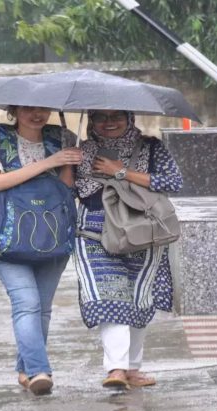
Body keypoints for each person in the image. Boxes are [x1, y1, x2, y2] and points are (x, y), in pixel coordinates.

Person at [0, 105, 82, 396]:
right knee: (27, 303)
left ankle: (27, 371)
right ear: (14, 110)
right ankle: (38, 371)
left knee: (42, 309)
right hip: (4, 237)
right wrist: (50, 162)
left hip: (52, 234)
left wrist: (67, 162)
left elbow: (66, 189)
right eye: (28, 109)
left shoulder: (63, 138)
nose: (36, 114)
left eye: (42, 109)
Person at [73, 110, 182, 390]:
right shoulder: (81, 151)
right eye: (101, 118)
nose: (109, 123)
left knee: (138, 298)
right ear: (92, 121)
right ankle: (117, 368)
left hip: (141, 231)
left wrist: (119, 172)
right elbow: (72, 189)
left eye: (116, 117)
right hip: (93, 233)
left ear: (129, 118)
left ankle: (132, 369)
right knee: (110, 296)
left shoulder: (150, 147)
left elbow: (172, 182)